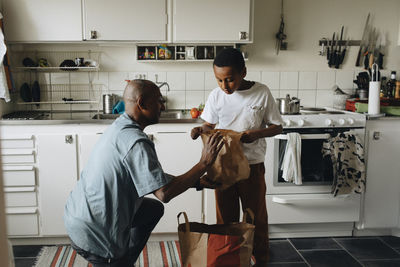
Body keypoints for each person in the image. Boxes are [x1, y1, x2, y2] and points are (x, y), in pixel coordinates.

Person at [64, 79, 223, 267]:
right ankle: (117, 260)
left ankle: (124, 261)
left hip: (78, 216)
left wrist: (197, 182)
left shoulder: (119, 127)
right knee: (117, 255)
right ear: (142, 103)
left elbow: (151, 178)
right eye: (159, 101)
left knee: (152, 210)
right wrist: (204, 163)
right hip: (96, 232)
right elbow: (164, 193)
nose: (163, 106)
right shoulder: (135, 141)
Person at [191, 48, 283, 266]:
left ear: (243, 72)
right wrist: (199, 130)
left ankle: (261, 259)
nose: (225, 86)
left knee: (256, 217)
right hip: (223, 167)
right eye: (219, 80)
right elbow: (209, 124)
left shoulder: (261, 92)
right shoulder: (216, 96)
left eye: (230, 80)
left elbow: (277, 127)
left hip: (252, 166)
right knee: (225, 218)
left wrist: (257, 134)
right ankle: (230, 259)